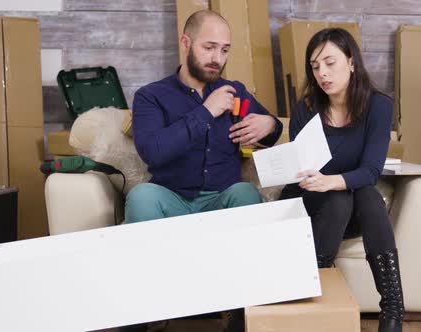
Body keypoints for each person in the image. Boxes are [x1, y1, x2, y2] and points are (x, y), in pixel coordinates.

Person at [121, 9, 282, 332]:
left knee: (246, 193)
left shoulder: (235, 91)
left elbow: (273, 129)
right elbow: (153, 150)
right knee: (140, 197)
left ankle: (238, 316)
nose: (217, 58)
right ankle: (138, 317)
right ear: (186, 42)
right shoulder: (152, 96)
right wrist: (206, 111)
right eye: (209, 47)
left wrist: (270, 123)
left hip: (221, 200)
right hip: (172, 199)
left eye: (224, 50)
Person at [279, 28, 405, 332]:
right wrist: (316, 181)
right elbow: (303, 171)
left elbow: (372, 170)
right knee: (340, 197)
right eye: (315, 66)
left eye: (330, 62)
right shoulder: (306, 109)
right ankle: (319, 289)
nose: (322, 73)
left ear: (351, 62)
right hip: (311, 205)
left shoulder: (379, 106)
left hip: (353, 208)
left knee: (365, 195)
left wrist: (331, 180)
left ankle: (393, 310)